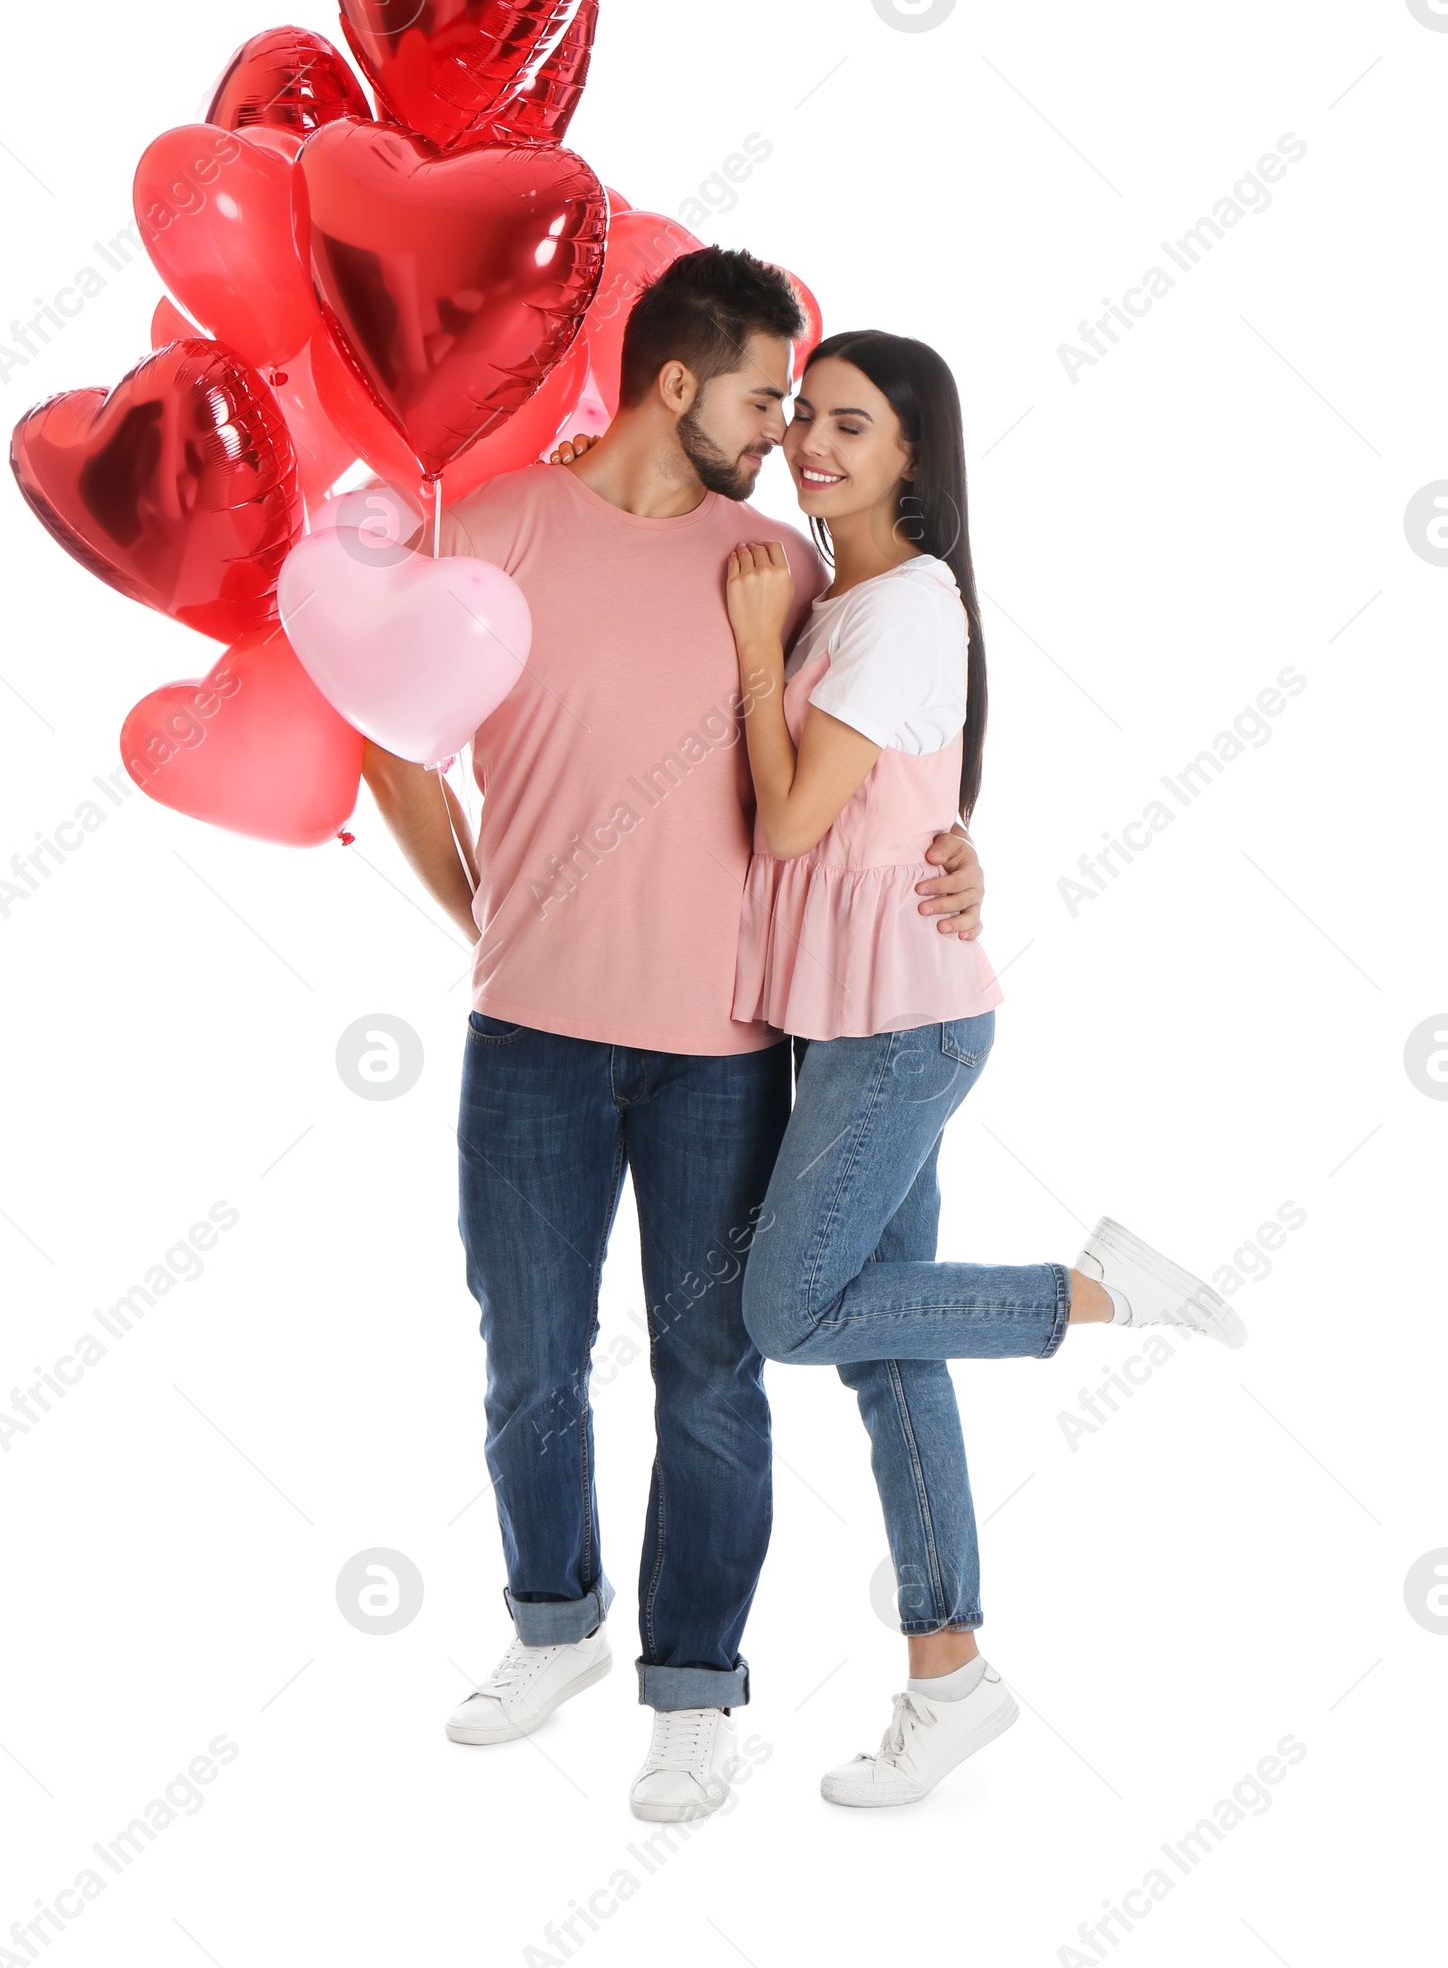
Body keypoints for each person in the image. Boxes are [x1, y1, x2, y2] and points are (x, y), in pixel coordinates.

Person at [361, 251, 988, 1822]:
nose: (787, 431)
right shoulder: (490, 531)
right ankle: (553, 1626)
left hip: (725, 1049)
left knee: (713, 1373)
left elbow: (883, 751)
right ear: (675, 384)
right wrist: (482, 916)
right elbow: (394, 746)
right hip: (530, 1041)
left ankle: (694, 1688)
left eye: (806, 406)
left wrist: (964, 863)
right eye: (772, 396)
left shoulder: (778, 560)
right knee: (529, 1361)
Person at [724, 329, 1246, 1812]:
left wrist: (759, 652)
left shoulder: (887, 609)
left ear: (913, 458)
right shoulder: (859, 597)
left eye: (851, 425)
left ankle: (1092, 1292)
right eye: (805, 418)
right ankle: (948, 1673)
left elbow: (787, 820)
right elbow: (896, 814)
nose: (813, 444)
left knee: (786, 1306)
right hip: (869, 1013)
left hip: (894, 1032)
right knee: (887, 1350)